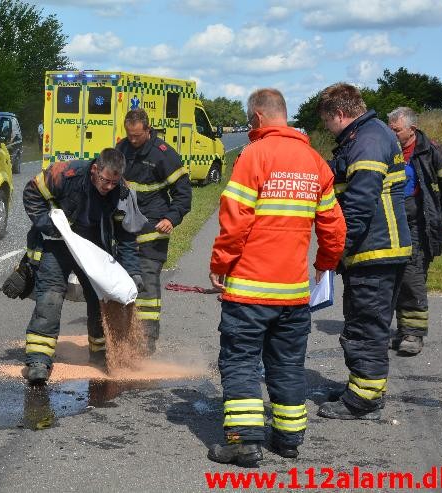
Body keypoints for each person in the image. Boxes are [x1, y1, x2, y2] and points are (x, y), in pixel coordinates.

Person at [208, 88, 345, 466]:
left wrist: (220, 263)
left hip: (249, 292)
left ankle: (243, 442)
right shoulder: (315, 161)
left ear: (256, 117)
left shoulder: (254, 155)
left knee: (240, 363)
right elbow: (334, 226)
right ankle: (288, 439)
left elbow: (235, 221)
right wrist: (325, 263)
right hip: (293, 295)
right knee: (286, 364)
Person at [315, 83, 411, 420]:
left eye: (327, 122)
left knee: (365, 326)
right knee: (364, 321)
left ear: (339, 114)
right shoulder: (368, 135)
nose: (327, 129)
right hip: (378, 249)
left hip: (375, 251)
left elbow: (358, 204)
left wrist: (336, 249)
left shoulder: (368, 140)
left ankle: (364, 398)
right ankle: (362, 386)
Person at [21, 148, 142, 384]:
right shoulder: (66, 174)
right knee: (51, 296)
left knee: (100, 299)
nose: (109, 187)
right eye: (105, 181)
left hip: (93, 249)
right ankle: (38, 360)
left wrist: (132, 271)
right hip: (59, 242)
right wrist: (48, 224)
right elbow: (31, 191)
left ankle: (99, 355)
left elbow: (126, 234)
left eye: (113, 182)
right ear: (95, 170)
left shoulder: (123, 191)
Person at [116, 108, 192, 354]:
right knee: (124, 282)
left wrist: (172, 218)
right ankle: (124, 334)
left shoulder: (164, 155)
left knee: (147, 286)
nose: (133, 140)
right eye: (129, 135)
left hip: (154, 229)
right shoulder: (122, 148)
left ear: (148, 130)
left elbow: (183, 194)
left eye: (137, 135)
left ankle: (146, 341)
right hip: (127, 229)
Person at [387, 107, 442, 355]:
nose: (391, 134)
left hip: (421, 224)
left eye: (396, 130)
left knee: (412, 275)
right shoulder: (386, 149)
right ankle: (402, 330)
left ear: (412, 129)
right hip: (393, 223)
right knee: (394, 276)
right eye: (390, 129)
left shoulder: (434, 151)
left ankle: (413, 335)